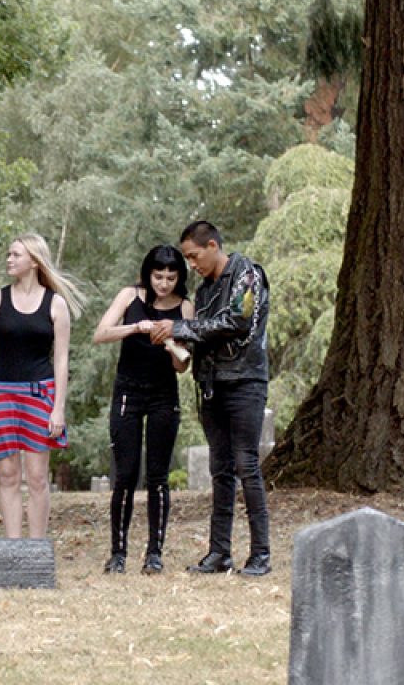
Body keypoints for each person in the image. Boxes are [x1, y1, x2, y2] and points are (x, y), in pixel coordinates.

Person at [148, 220, 272, 576]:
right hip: (211, 386)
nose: (191, 264)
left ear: (213, 245)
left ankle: (261, 554)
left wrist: (182, 328)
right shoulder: (204, 291)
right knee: (219, 470)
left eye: (194, 256)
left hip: (245, 381)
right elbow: (202, 335)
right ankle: (220, 553)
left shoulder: (247, 274)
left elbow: (237, 321)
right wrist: (175, 342)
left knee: (246, 465)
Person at [92, 245, 194, 575]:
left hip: (164, 394)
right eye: (158, 276)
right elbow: (101, 334)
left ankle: (154, 552)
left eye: (170, 277)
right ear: (148, 274)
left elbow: (183, 366)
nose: (163, 284)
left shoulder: (186, 307)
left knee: (158, 476)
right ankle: (117, 552)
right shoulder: (129, 296)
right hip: (128, 392)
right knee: (126, 474)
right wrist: (137, 327)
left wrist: (173, 344)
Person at [0, 234, 85, 539]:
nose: (9, 259)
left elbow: (62, 360)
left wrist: (58, 408)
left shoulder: (56, 305)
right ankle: (14, 548)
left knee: (37, 477)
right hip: (1, 392)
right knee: (8, 475)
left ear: (34, 261)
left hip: (40, 393)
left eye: (15, 255)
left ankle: (37, 548)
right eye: (8, 254)